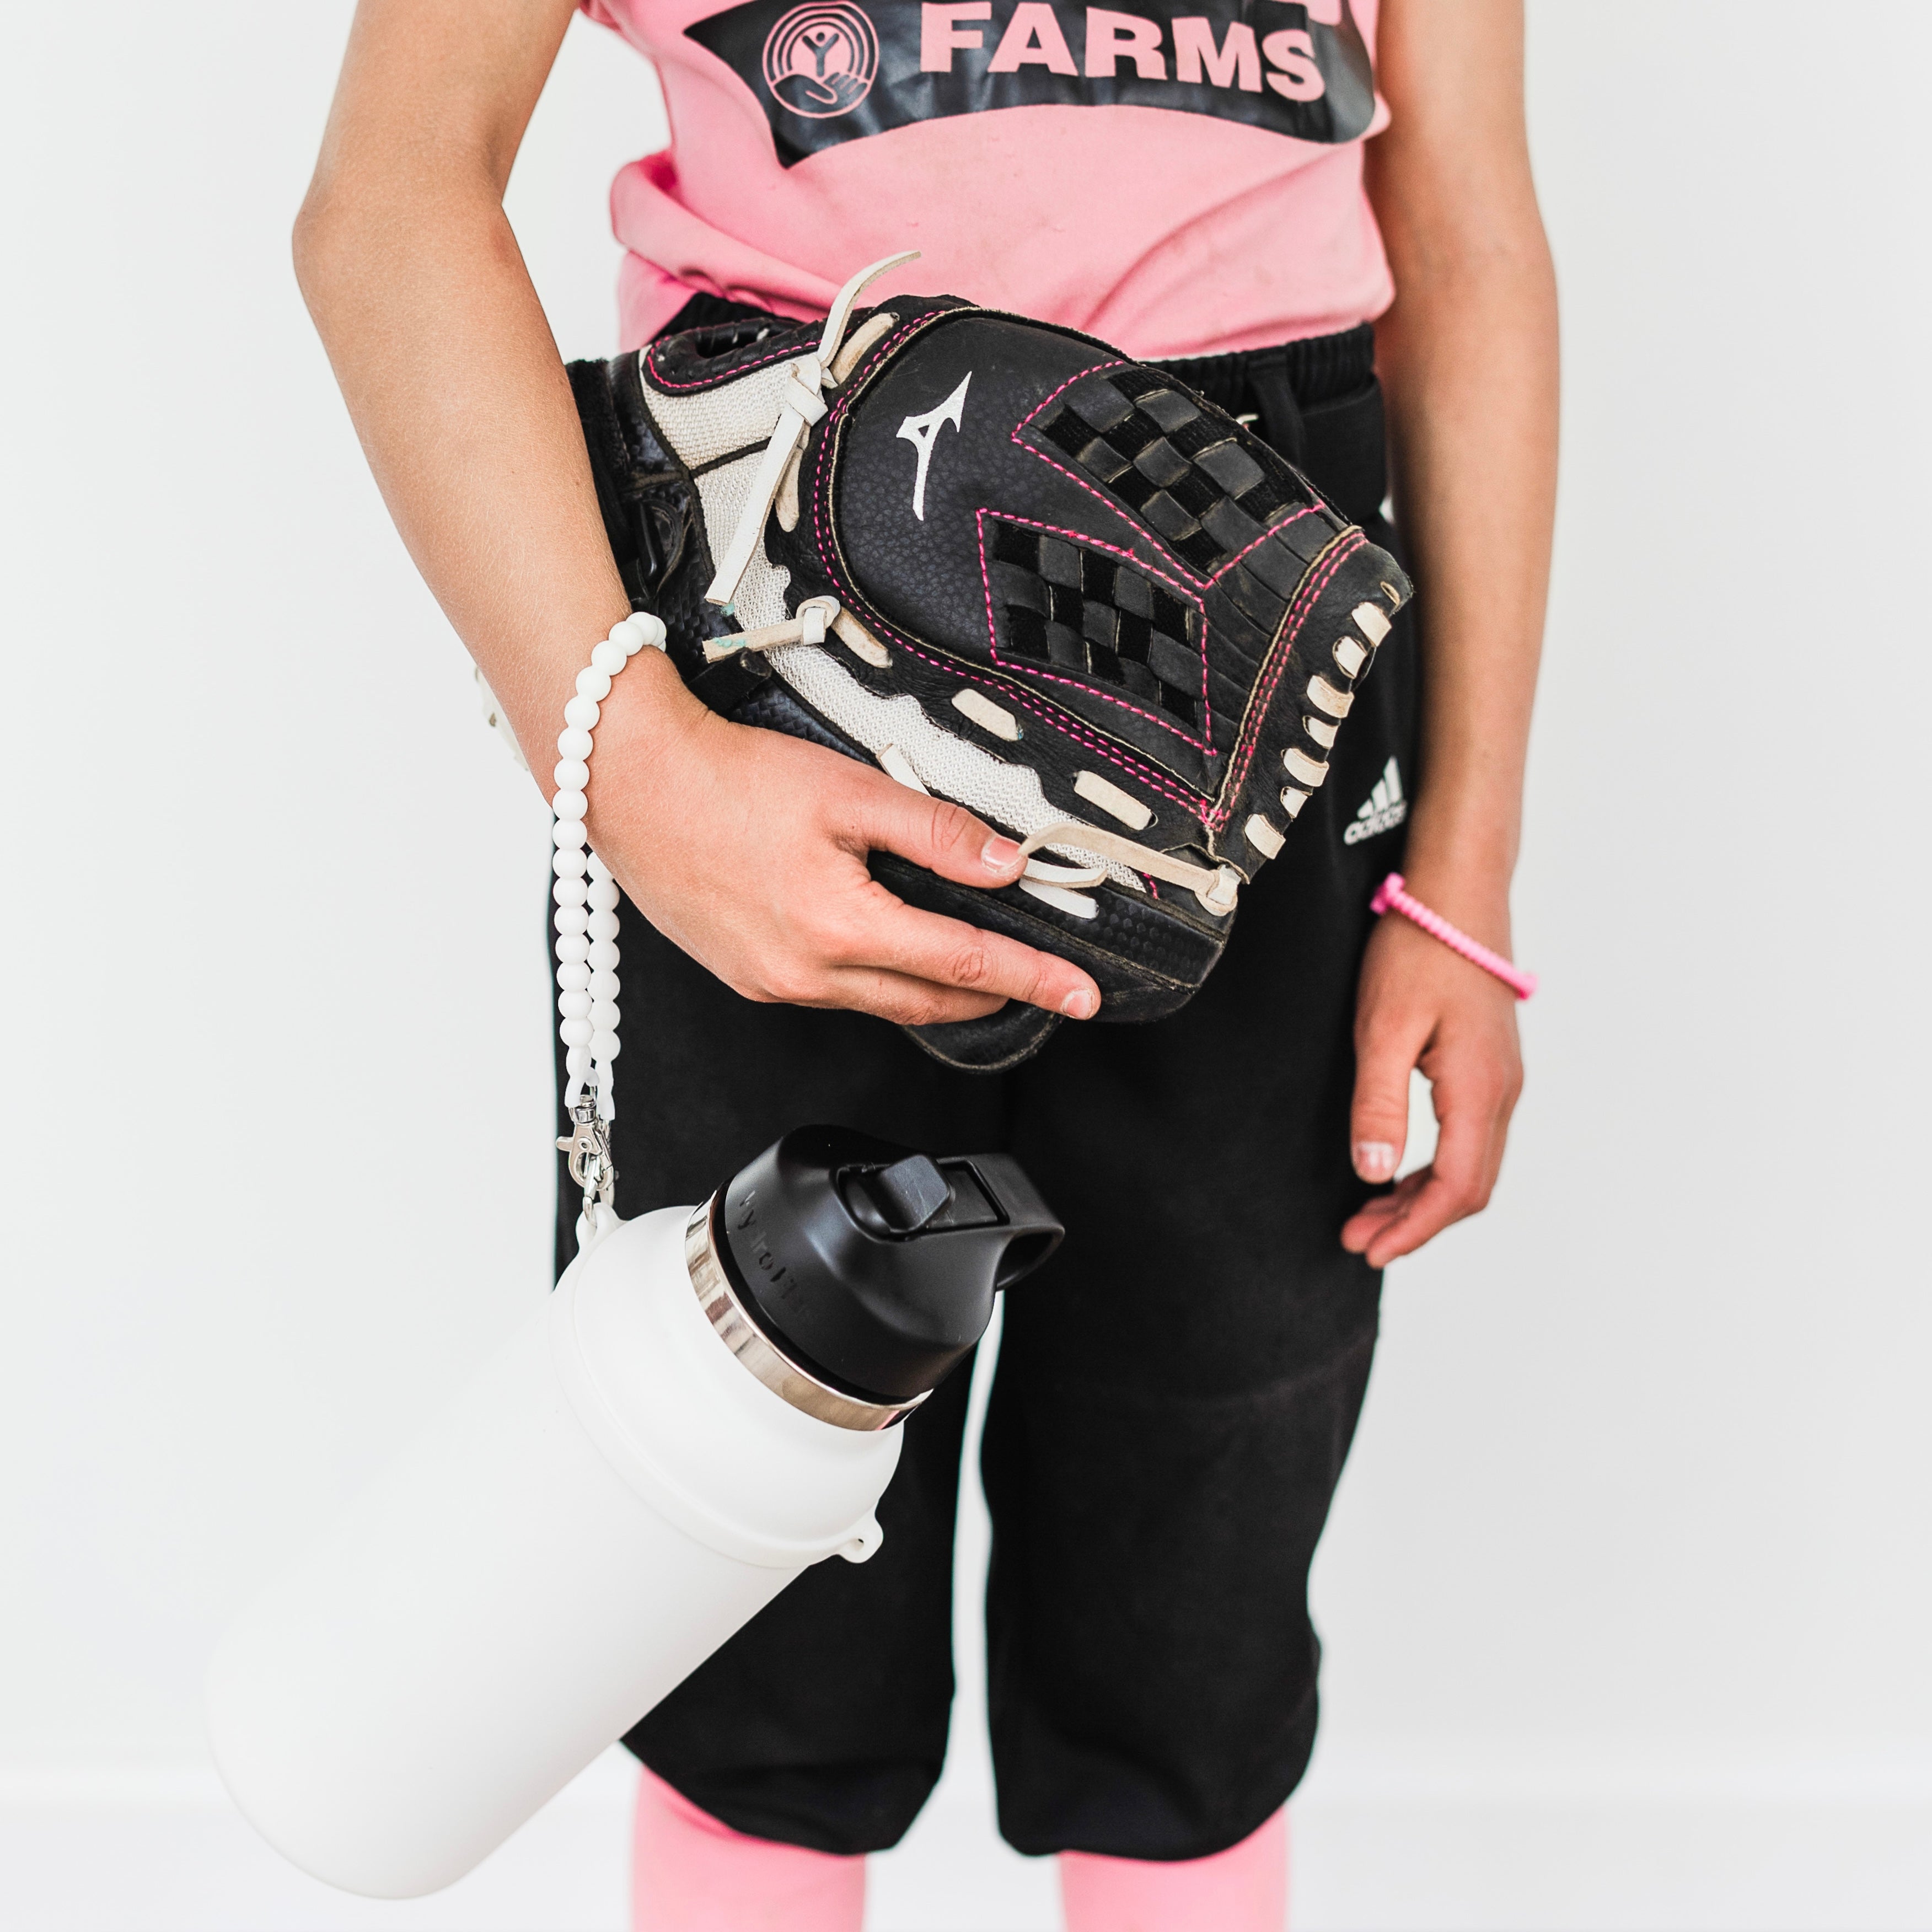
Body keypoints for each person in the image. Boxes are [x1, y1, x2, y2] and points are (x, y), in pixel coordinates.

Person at [293, 0, 1555, 1923]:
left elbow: (1462, 234)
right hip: (780, 613)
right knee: (724, 1561)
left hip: (1271, 604)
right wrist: (637, 768)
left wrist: (1460, 879)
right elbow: (388, 195)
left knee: (1196, 1579)